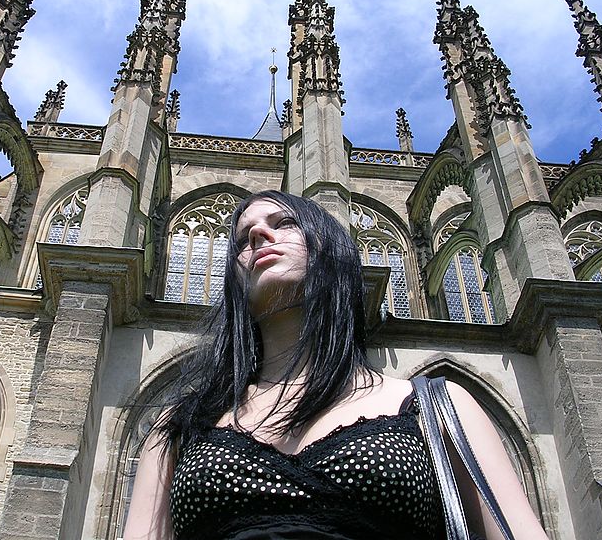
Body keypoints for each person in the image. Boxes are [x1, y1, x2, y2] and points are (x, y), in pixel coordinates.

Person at [124, 190, 549, 539]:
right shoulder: (179, 426)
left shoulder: (438, 406)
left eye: (284, 223)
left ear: (331, 250)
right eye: (240, 239)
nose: (256, 234)